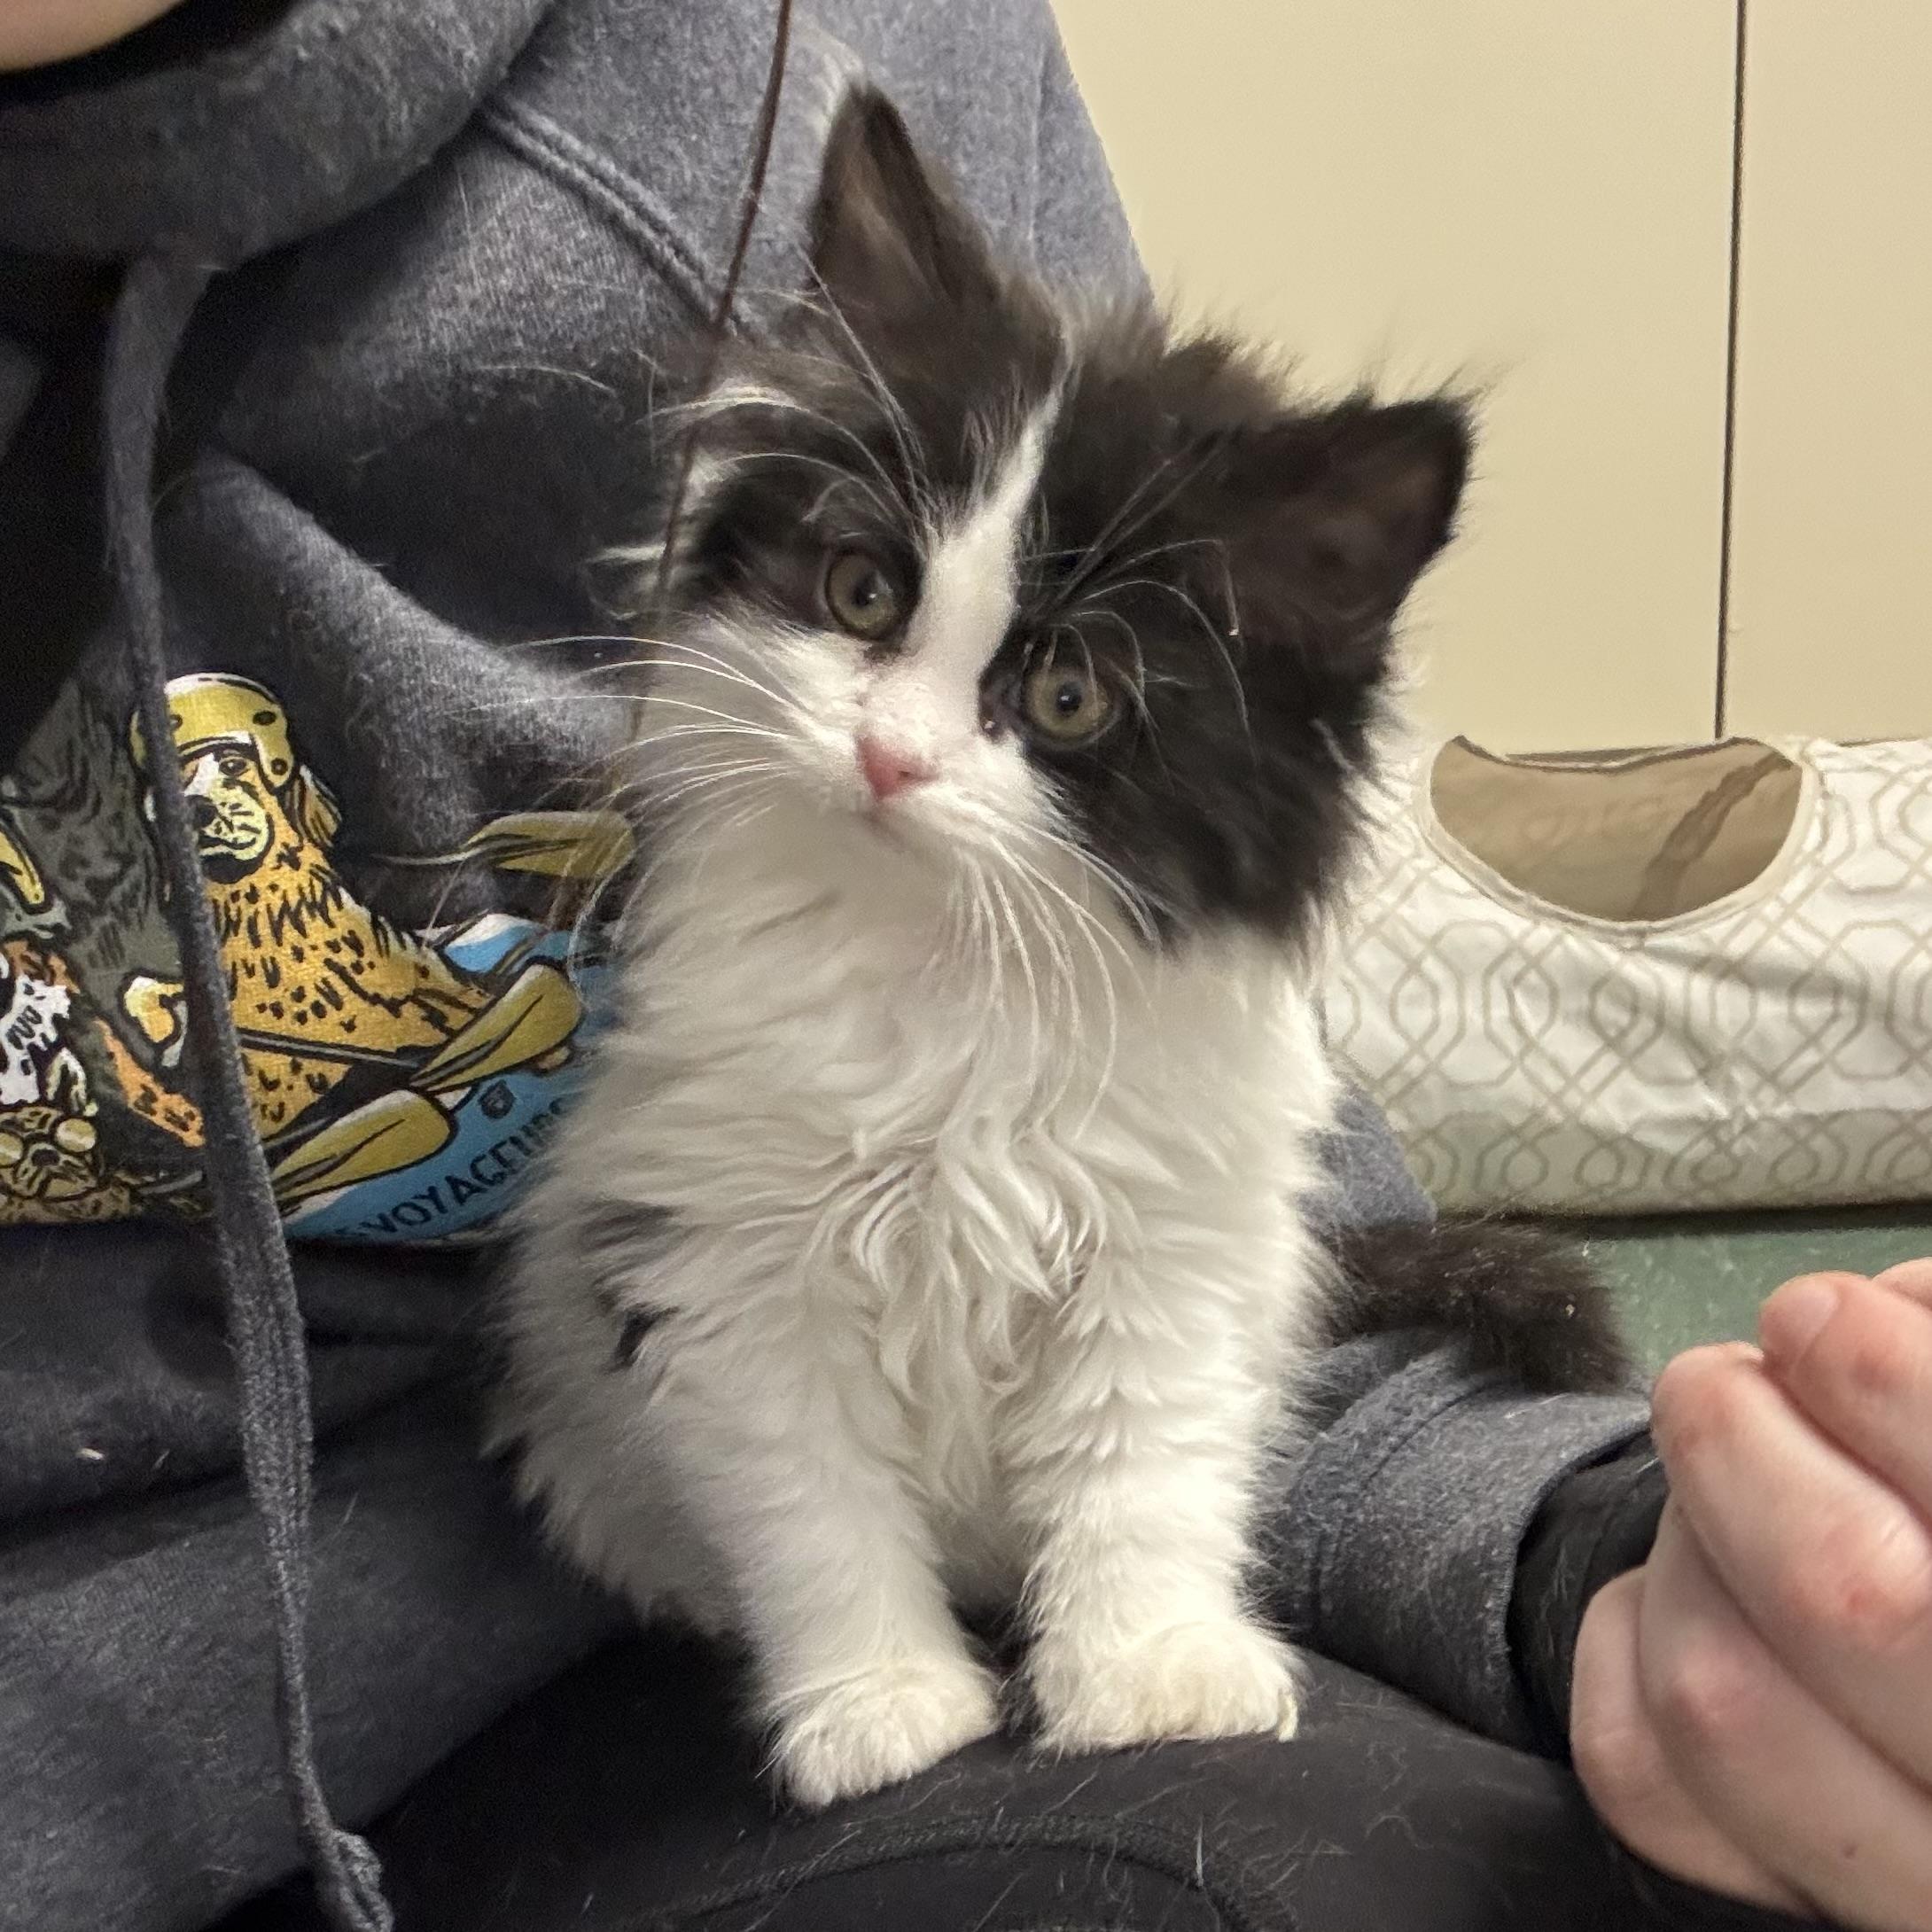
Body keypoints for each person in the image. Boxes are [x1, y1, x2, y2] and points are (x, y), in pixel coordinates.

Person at [1, 4, 1926, 1929]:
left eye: (1058, 687)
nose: (895, 744)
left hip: (582, 1720)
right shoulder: (743, 928)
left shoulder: (799, 61)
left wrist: (1591, 1546)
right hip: (548, 1613)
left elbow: (1180, 1294)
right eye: (861, 602)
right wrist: (853, 1644)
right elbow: (731, 1331)